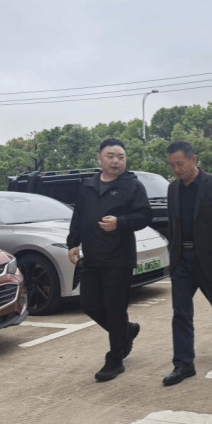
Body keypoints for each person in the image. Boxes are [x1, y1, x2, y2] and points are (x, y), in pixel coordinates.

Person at [67, 138, 152, 382]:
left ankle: (115, 359)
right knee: (89, 304)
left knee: (115, 310)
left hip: (119, 258)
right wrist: (72, 242)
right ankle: (127, 331)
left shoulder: (132, 185)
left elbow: (145, 215)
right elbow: (79, 215)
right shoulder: (88, 186)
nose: (116, 161)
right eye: (111, 156)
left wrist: (120, 222)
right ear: (100, 158)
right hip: (92, 256)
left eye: (121, 157)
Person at [162, 141, 212, 387]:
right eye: (172, 165)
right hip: (181, 261)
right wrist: (172, 257)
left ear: (193, 159)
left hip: (208, 259)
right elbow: (173, 225)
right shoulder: (172, 189)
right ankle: (184, 364)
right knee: (181, 313)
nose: (176, 169)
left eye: (180, 164)